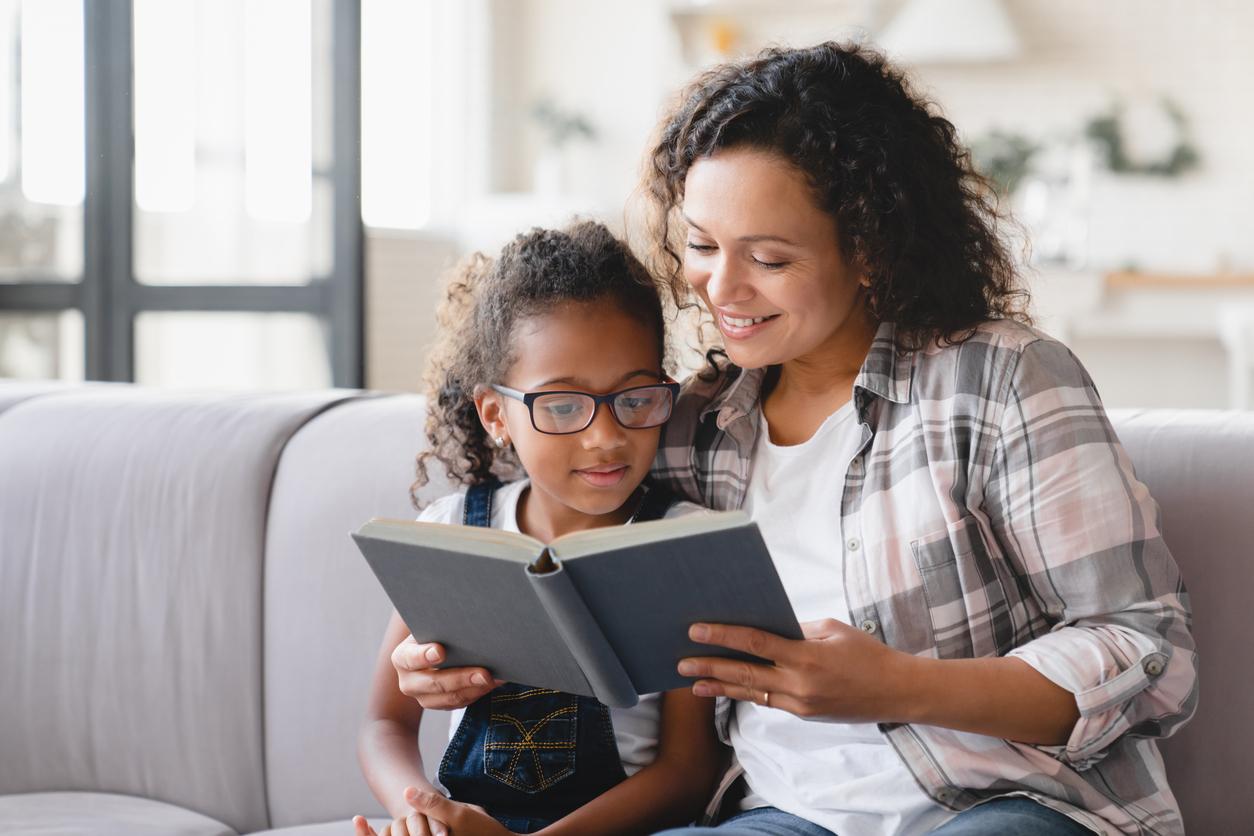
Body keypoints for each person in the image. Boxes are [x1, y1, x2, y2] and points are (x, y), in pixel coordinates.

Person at [640, 42, 1197, 836]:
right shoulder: (696, 425)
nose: (720, 289)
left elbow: (1152, 652)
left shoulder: (1003, 380)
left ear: (868, 249)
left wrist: (897, 685)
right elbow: (542, 498)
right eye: (700, 245)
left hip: (1008, 803)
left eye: (767, 257)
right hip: (782, 815)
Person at [352, 222, 723, 836]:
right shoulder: (451, 532)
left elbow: (687, 771)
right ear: (496, 414)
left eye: (635, 398)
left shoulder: (680, 546)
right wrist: (420, 811)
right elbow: (383, 724)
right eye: (561, 406)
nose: (606, 436)